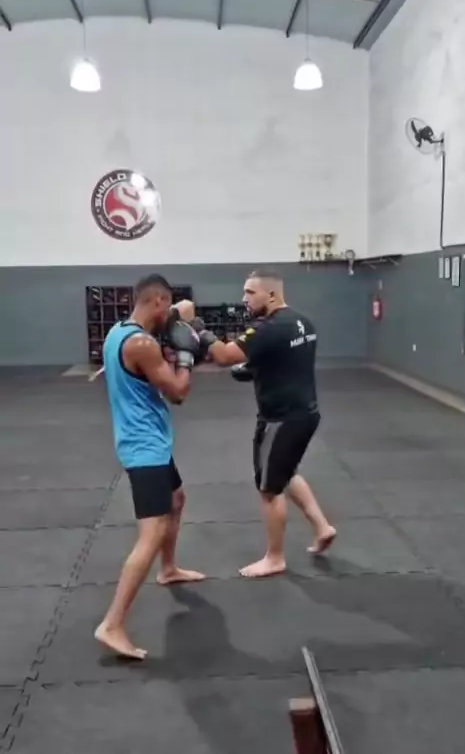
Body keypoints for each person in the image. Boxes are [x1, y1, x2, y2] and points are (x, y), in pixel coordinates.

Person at [197, 269, 336, 578]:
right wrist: (255, 369)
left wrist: (198, 328)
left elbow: (224, 356)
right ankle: (323, 527)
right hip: (306, 413)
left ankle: (275, 558)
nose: (244, 299)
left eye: (250, 292)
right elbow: (286, 362)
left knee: (269, 489)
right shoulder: (303, 322)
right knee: (286, 472)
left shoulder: (268, 328)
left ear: (270, 295)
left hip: (280, 419)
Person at [95, 273, 205, 659]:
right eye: (167, 305)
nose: (168, 312)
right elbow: (178, 393)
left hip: (147, 440)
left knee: (177, 499)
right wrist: (187, 356)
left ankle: (168, 568)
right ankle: (112, 624)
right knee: (152, 532)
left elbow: (176, 317)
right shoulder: (142, 344)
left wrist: (179, 323)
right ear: (157, 301)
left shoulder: (117, 332)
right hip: (145, 449)